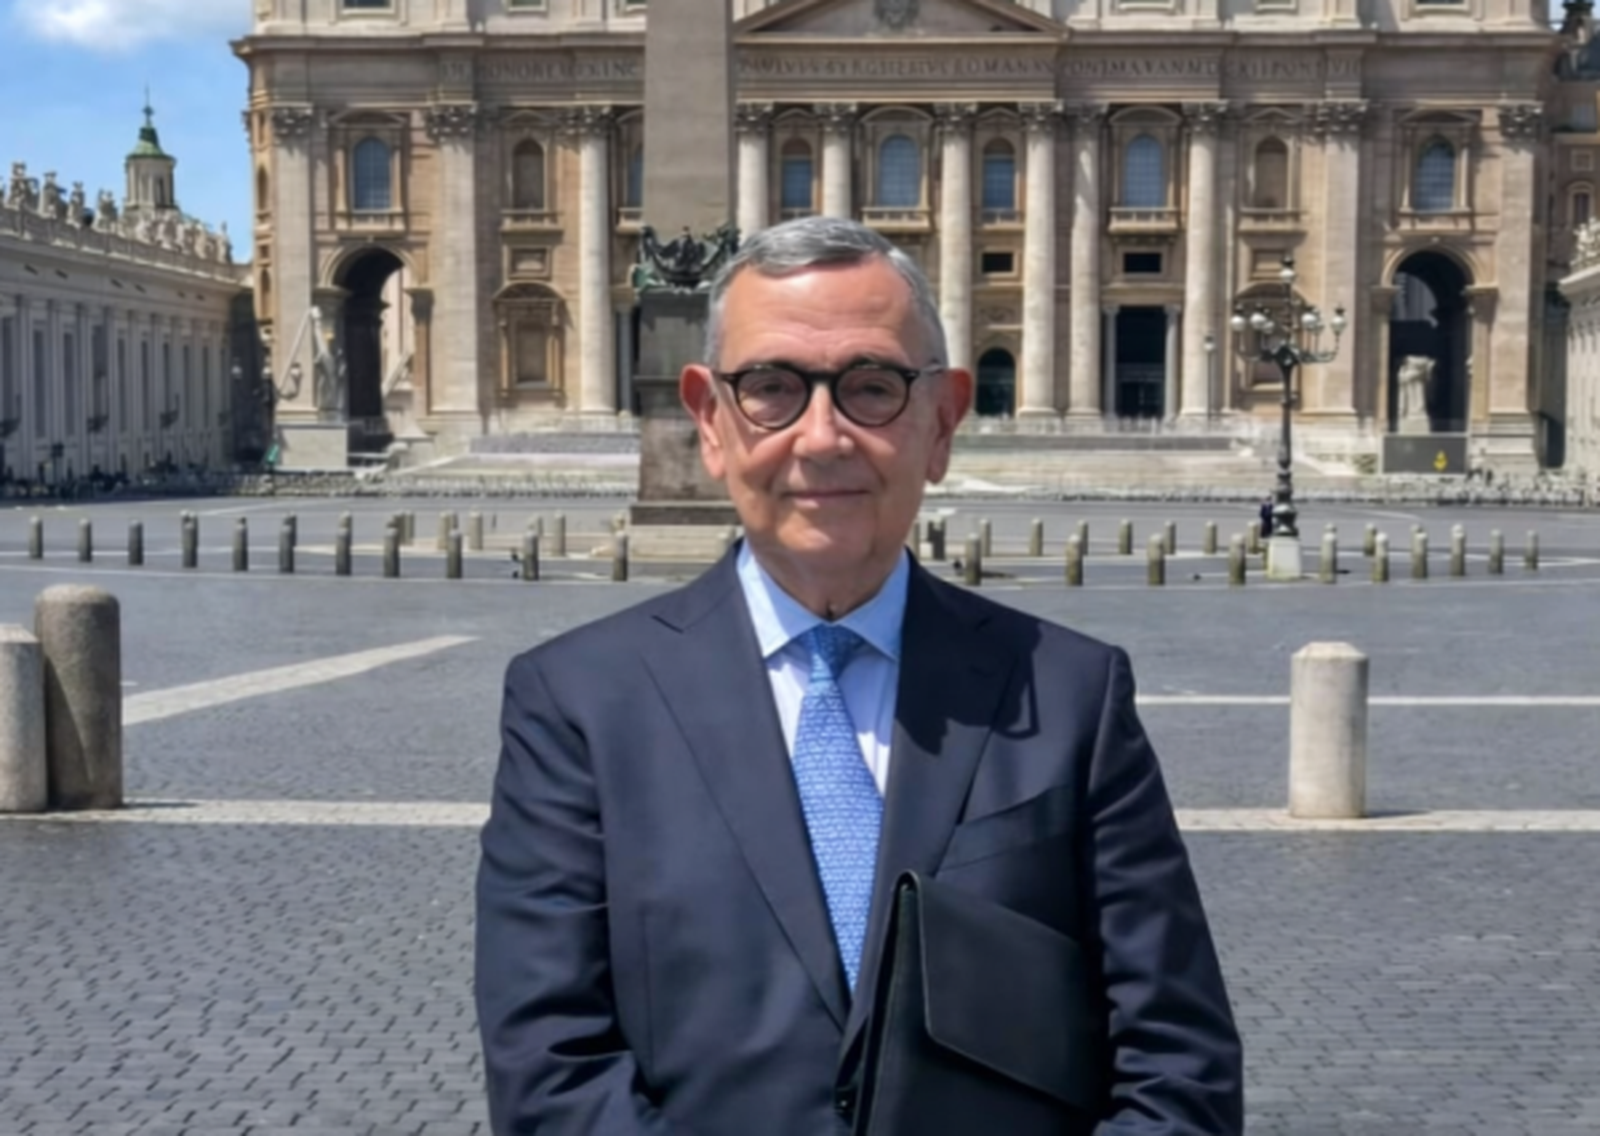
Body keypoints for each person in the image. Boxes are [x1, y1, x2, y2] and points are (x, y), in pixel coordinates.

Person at [475, 216, 1243, 1135]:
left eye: (872, 387)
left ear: (944, 422)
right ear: (711, 423)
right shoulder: (575, 704)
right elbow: (551, 1068)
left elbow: (1178, 1067)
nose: (823, 437)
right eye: (771, 389)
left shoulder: (1073, 694)